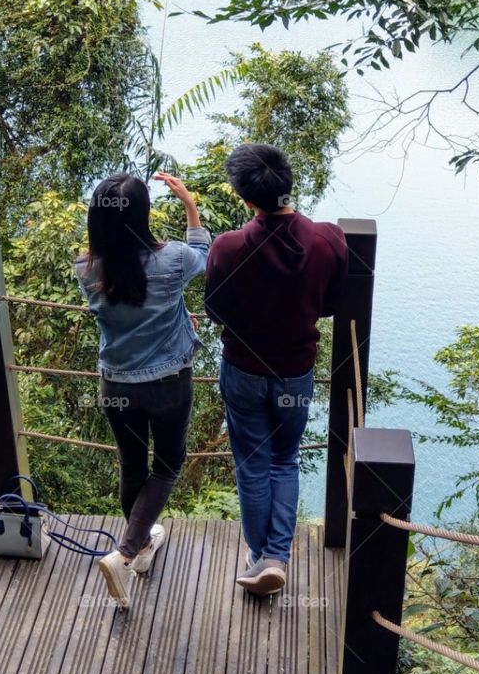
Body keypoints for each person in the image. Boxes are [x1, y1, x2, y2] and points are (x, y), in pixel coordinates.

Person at [205, 144, 348, 596]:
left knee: (252, 465)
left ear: (245, 198)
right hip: (295, 372)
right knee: (285, 459)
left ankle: (258, 556)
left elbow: (214, 309)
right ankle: (276, 558)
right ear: (288, 183)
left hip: (244, 370)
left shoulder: (227, 247)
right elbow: (332, 303)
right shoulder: (329, 240)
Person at [75, 171, 210, 609]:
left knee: (132, 467)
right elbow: (203, 255)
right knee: (168, 465)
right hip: (167, 383)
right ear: (143, 214)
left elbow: (132, 299)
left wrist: (176, 313)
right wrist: (189, 203)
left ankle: (141, 547)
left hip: (116, 384)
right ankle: (127, 551)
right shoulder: (172, 259)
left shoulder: (86, 268)